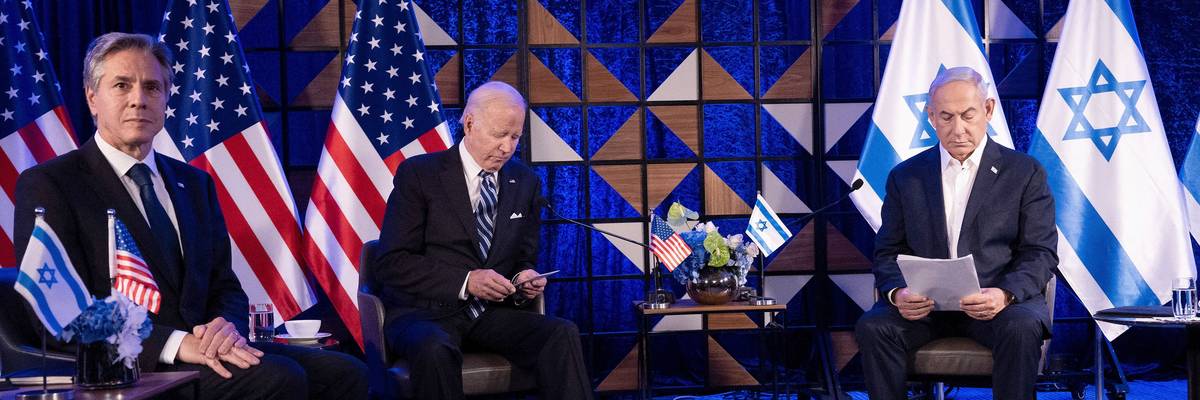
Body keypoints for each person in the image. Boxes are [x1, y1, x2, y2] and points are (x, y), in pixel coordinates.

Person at [12, 32, 366, 400]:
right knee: (279, 378)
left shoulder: (194, 184)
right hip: (128, 363)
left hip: (208, 350)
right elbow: (57, 306)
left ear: (166, 99)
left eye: (152, 87)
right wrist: (177, 343)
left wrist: (225, 327)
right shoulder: (51, 184)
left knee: (346, 374)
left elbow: (224, 285)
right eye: (122, 85)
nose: (138, 100)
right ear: (92, 97)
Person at [375, 81, 592, 399]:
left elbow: (522, 258)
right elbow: (391, 263)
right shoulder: (419, 175)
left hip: (488, 314)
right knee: (436, 348)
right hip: (422, 313)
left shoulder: (525, 182)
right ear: (470, 123)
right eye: (499, 134)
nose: (507, 147)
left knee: (561, 333)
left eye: (515, 137)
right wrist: (466, 281)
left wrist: (523, 278)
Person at [853, 66, 1058, 400]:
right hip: (925, 309)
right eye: (946, 117)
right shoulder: (906, 176)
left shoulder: (1024, 172)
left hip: (998, 305)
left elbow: (1040, 252)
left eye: (967, 115)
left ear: (988, 110)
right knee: (874, 327)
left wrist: (1003, 294)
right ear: (930, 116)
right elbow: (887, 252)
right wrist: (897, 294)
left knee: (1021, 327)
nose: (958, 129)